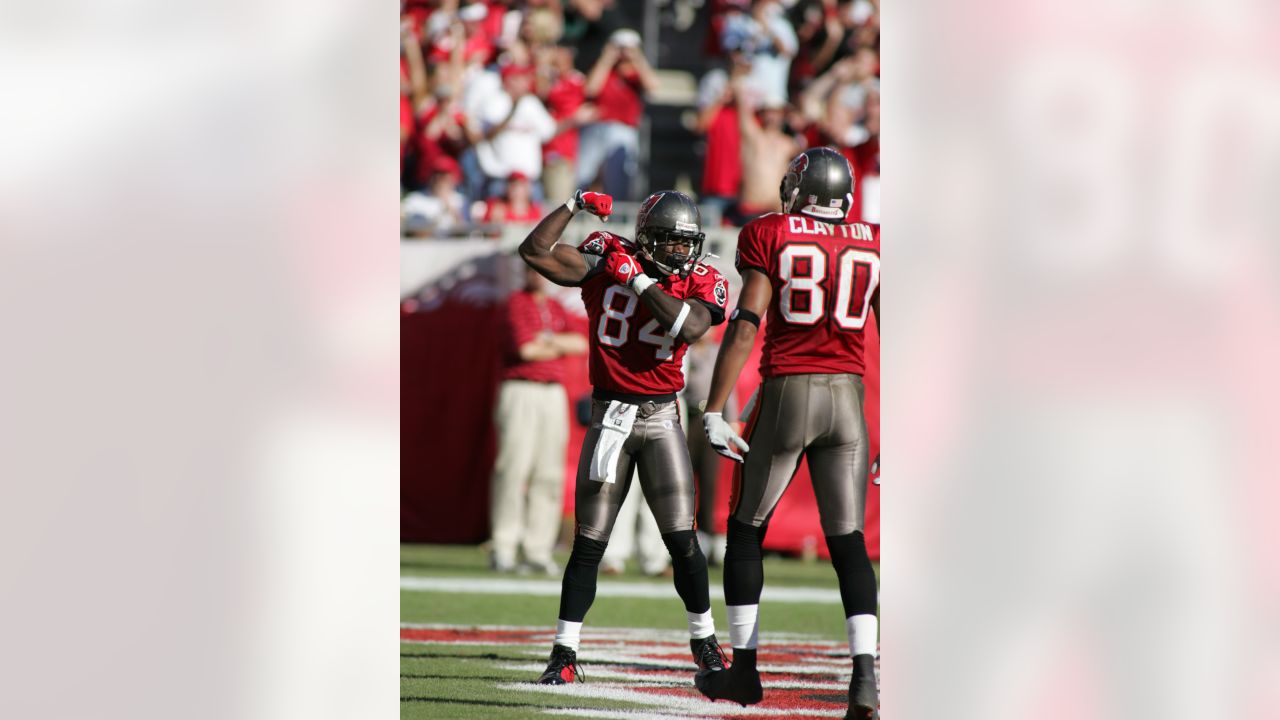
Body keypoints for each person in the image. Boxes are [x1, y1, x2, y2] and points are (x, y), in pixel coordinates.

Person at [518, 188, 732, 688]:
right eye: (671, 243)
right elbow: (534, 252)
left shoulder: (692, 279)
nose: (683, 253)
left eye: (687, 243)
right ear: (647, 239)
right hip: (609, 412)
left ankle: (704, 641)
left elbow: (691, 326)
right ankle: (564, 652)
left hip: (661, 418)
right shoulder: (605, 257)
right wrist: (573, 205)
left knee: (682, 540)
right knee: (589, 542)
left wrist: (635, 279)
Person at [697, 147, 881, 719]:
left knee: (746, 527)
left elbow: (747, 321)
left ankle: (745, 671)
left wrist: (715, 405)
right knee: (848, 540)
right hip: (849, 399)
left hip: (789, 390)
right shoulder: (876, 238)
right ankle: (865, 679)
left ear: (798, 190)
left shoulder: (769, 232)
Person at [489, 265, 588, 574]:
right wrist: (557, 343)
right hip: (521, 390)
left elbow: (582, 343)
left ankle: (538, 549)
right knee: (513, 469)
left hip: (552, 394)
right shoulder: (517, 303)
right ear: (525, 273)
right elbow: (526, 349)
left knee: (549, 474)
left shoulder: (556, 306)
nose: (540, 277)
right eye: (534, 271)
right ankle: (504, 547)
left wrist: (550, 342)